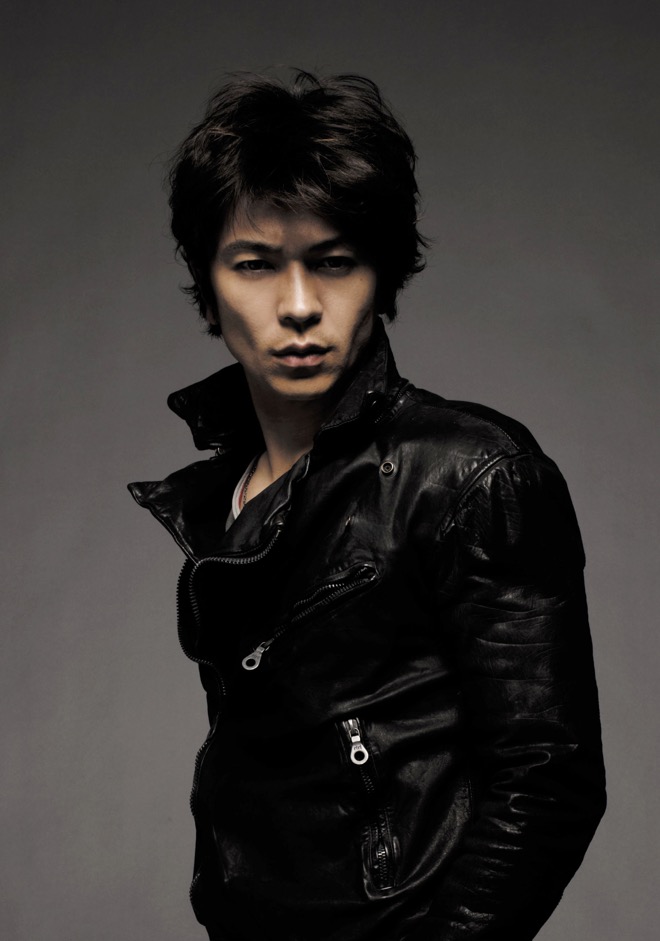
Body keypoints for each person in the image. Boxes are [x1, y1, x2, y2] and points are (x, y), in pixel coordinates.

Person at [129, 71, 606, 941]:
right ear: (209, 283)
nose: (298, 306)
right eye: (255, 264)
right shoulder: (227, 496)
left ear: (380, 271)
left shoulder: (470, 475)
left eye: (334, 261)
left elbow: (549, 779)